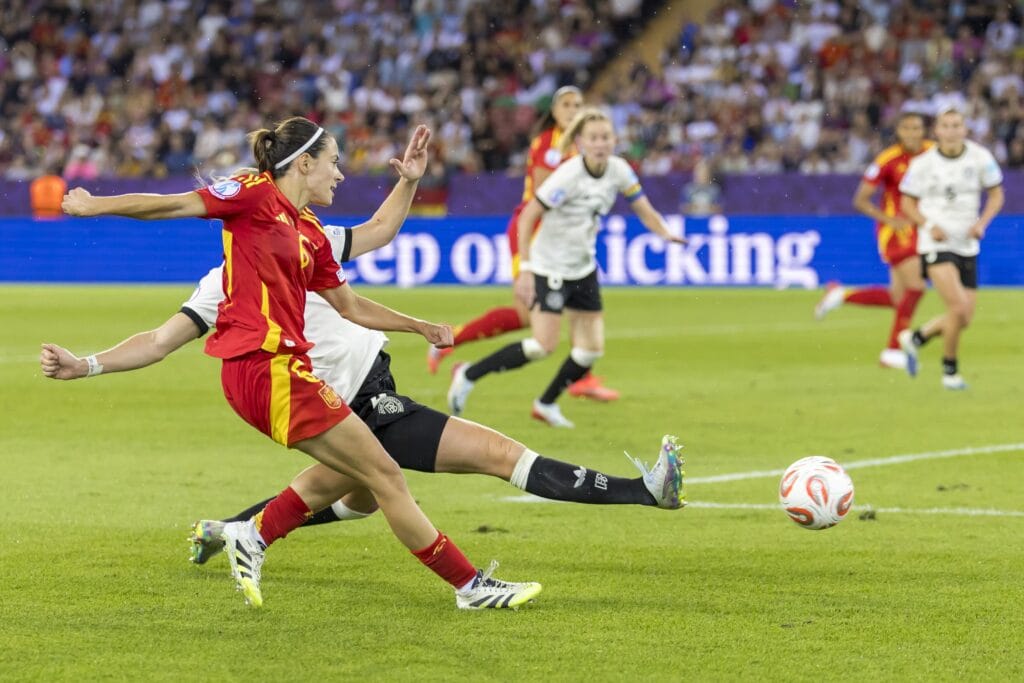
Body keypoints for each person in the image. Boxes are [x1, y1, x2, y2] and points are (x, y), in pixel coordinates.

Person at [54, 117, 541, 610]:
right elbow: (174, 206)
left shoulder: (310, 234)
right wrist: (97, 205)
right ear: (304, 163)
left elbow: (351, 305)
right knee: (385, 476)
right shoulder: (251, 192)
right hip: (265, 369)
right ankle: (469, 587)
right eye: (333, 162)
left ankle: (253, 534)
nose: (340, 175)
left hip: (284, 372)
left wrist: (419, 326)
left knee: (364, 477)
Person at [40, 218, 686, 566]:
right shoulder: (221, 285)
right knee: (493, 453)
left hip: (371, 389)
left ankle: (233, 530)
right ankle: (641, 492)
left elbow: (371, 244)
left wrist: (407, 182)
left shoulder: (302, 243)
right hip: (354, 407)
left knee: (350, 497)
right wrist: (86, 364)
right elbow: (157, 340)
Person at [446, 108, 686, 428]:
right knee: (542, 345)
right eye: (593, 138)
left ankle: (545, 404)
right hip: (551, 266)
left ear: (614, 140)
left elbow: (643, 208)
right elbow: (529, 216)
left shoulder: (619, 170)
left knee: (590, 350)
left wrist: (665, 233)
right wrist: (527, 268)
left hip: (583, 267)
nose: (600, 143)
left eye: (605, 137)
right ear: (581, 143)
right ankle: (468, 374)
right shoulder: (569, 175)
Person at [426, 86, 620, 402]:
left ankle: (581, 375)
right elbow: (545, 198)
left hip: (560, 239)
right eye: (567, 105)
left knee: (568, 306)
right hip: (535, 233)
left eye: (579, 105)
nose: (573, 110)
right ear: (554, 112)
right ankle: (451, 341)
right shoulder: (550, 144)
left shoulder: (578, 146)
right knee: (532, 313)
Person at [897, 107, 1004, 389]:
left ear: (965, 129)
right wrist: (928, 224)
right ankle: (950, 372)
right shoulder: (923, 163)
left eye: (957, 125)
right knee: (957, 308)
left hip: (967, 244)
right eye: (946, 125)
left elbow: (996, 194)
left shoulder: (981, 157)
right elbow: (906, 203)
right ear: (938, 131)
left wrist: (983, 223)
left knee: (965, 318)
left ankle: (915, 338)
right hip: (936, 243)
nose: (952, 130)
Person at [815, 112, 932, 370]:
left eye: (917, 128)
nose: (912, 133)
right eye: (907, 128)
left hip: (922, 228)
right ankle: (893, 351)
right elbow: (860, 199)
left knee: (898, 297)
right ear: (899, 132)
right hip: (897, 232)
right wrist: (889, 221)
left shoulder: (932, 153)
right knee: (917, 287)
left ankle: (841, 295)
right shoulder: (887, 160)